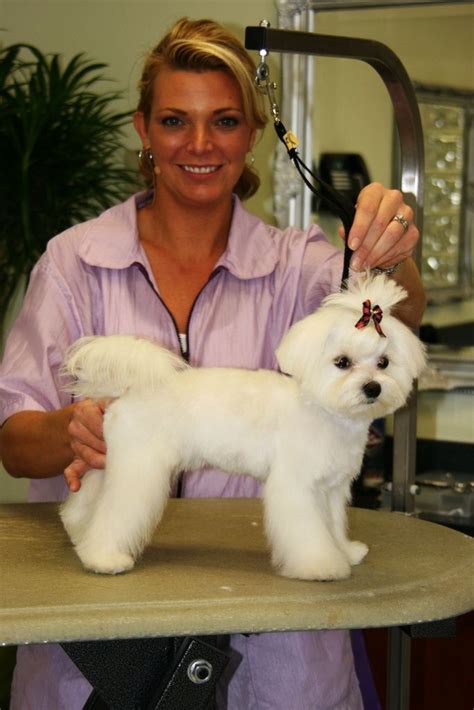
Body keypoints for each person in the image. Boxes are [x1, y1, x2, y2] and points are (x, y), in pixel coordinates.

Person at [0, 17, 425, 710]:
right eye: (175, 120)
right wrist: (69, 430)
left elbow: (391, 314)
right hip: (97, 653)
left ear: (253, 133)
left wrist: (393, 249)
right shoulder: (73, 261)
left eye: (224, 121)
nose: (199, 144)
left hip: (278, 657)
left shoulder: (302, 263)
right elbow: (14, 441)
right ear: (144, 129)